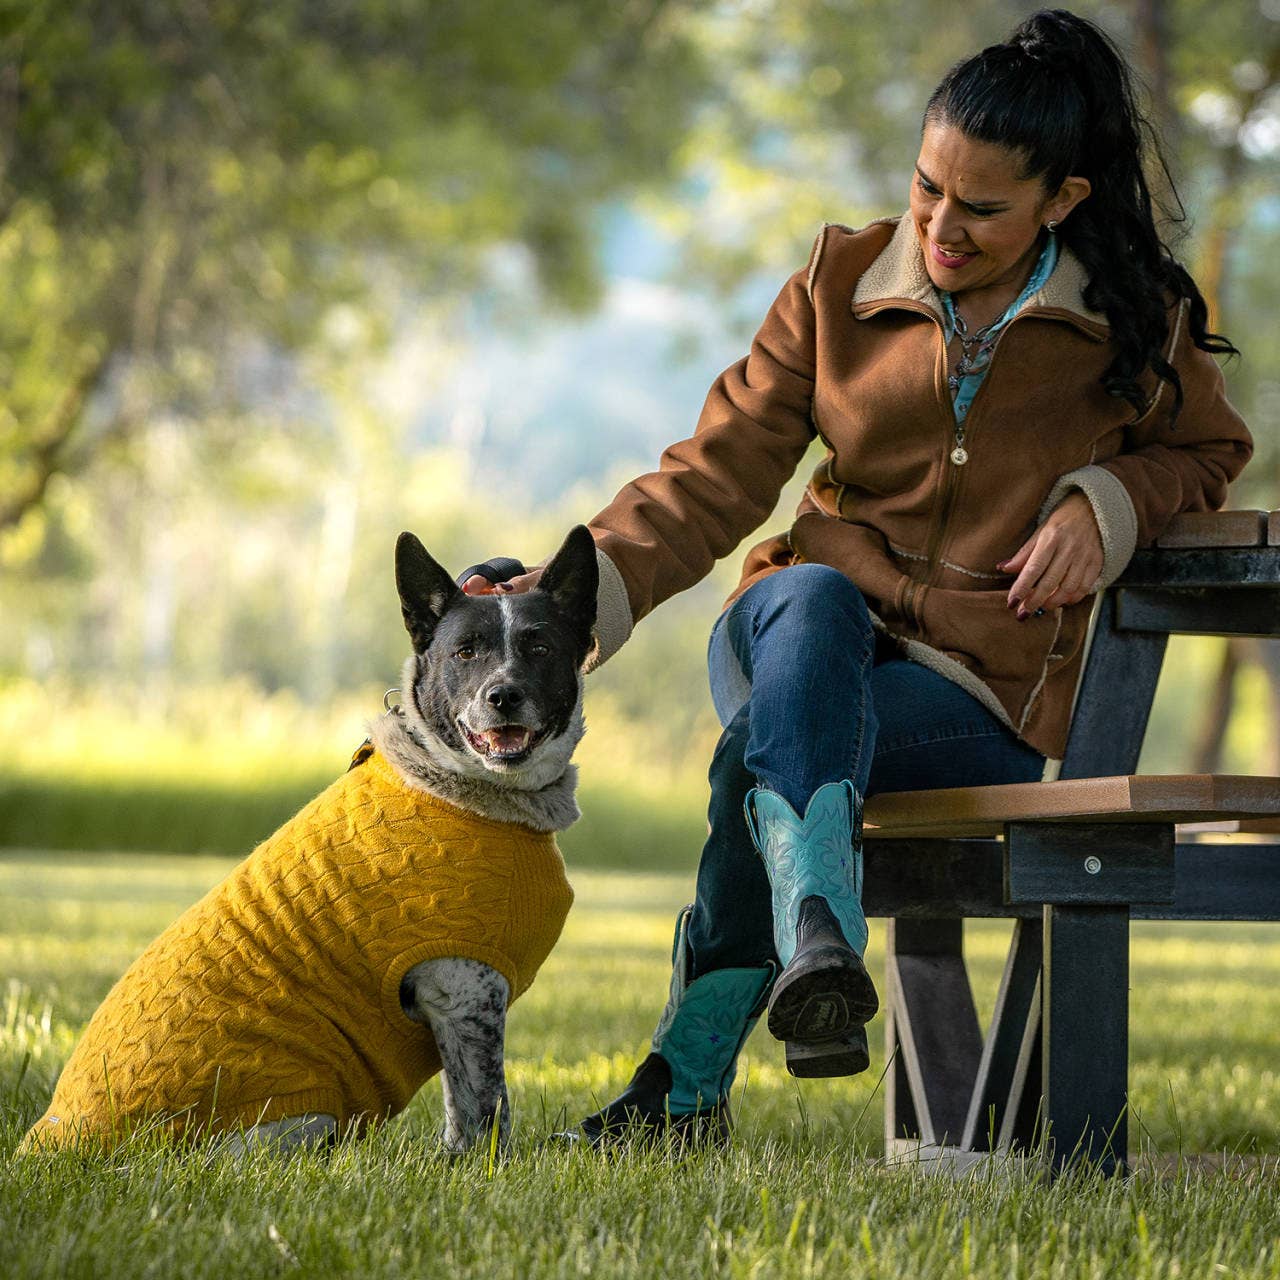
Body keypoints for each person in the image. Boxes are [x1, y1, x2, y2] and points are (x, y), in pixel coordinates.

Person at [463, 8, 1253, 1145]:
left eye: (981, 207)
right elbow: (716, 474)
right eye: (927, 188)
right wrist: (568, 598)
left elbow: (1210, 452)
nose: (940, 226)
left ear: (1061, 200)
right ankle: (818, 927)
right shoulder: (837, 283)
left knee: (760, 748)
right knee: (815, 598)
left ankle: (687, 1085)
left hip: (977, 687)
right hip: (792, 623)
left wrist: (1110, 499)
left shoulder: (1132, 318)